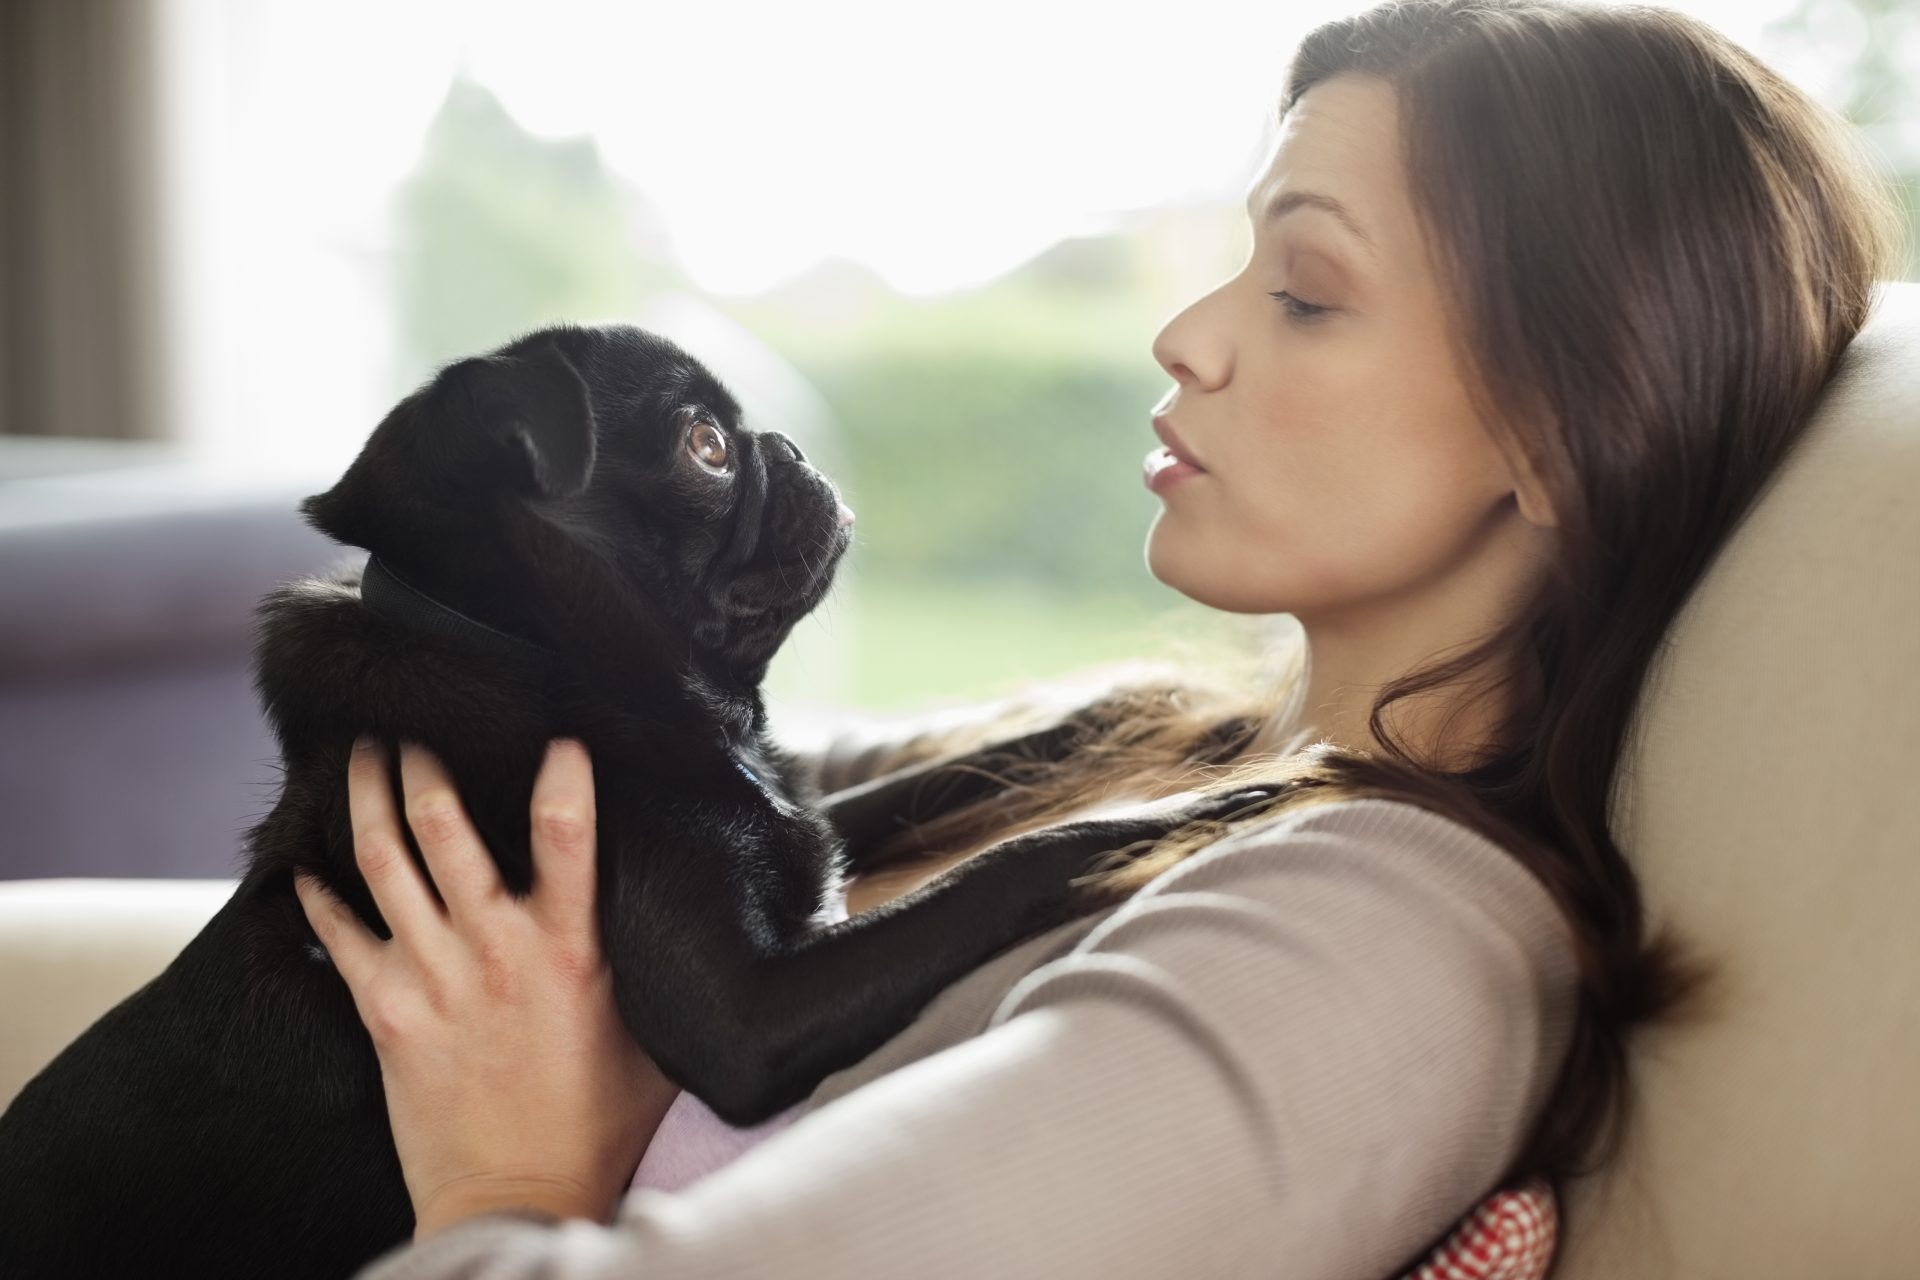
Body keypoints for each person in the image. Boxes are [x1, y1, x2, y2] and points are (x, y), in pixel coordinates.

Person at [293, 1, 1907, 1275]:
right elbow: (642, 787)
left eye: (1308, 293)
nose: (1185, 334)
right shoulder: (1166, 740)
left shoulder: (1373, 956)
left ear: (1561, 431)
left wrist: (505, 1179)